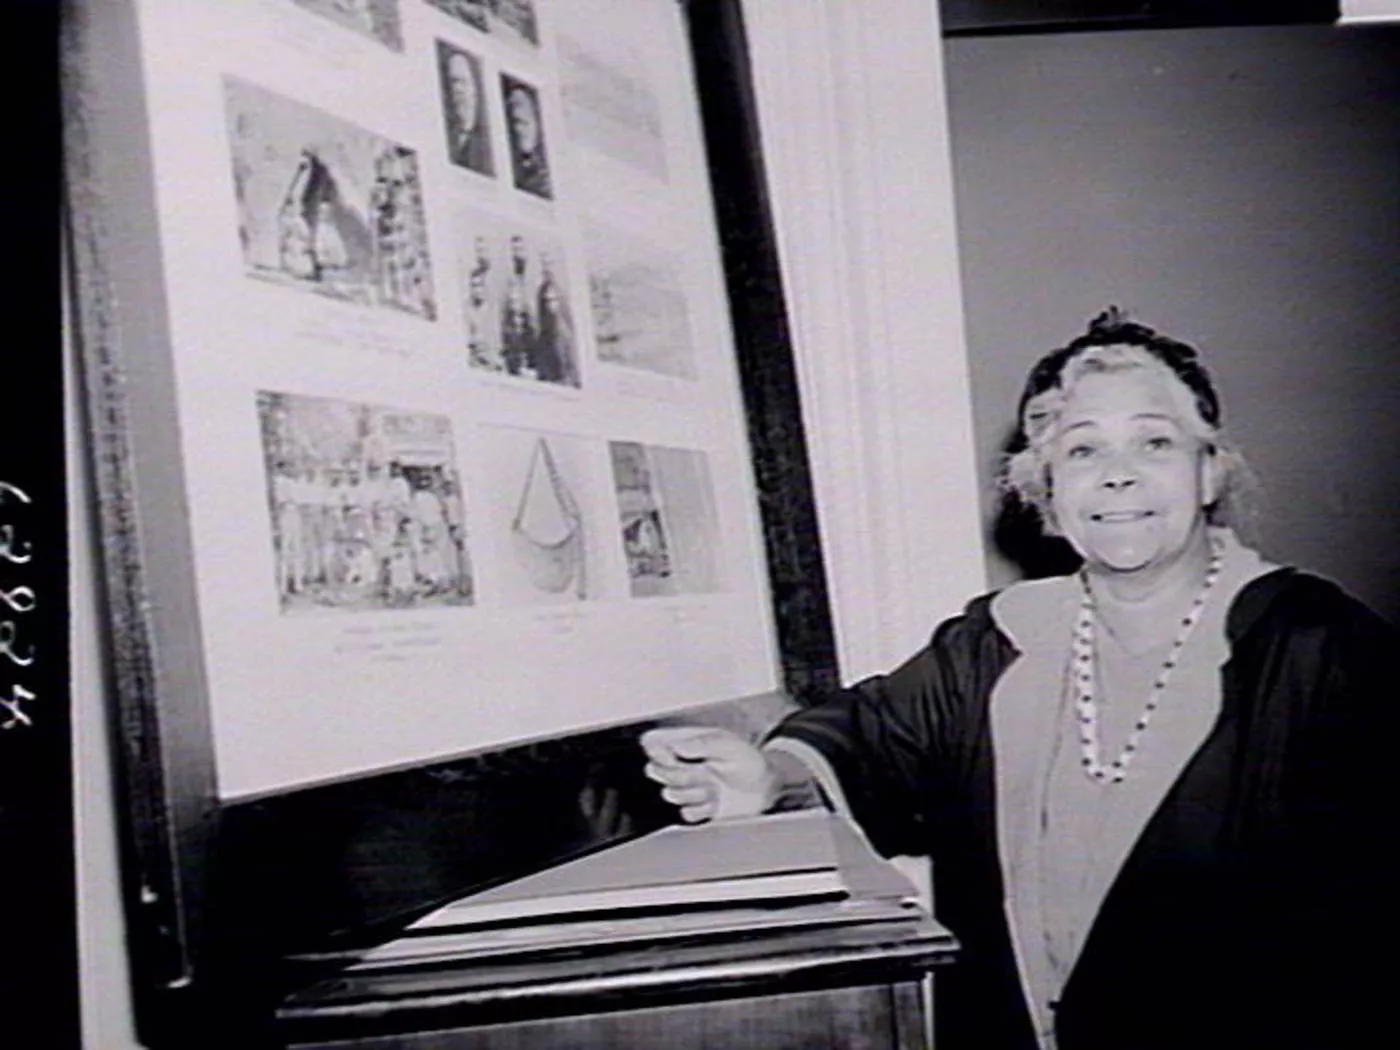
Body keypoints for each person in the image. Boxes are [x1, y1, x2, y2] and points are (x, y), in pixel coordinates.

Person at [641, 309, 1397, 1050]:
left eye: (1154, 441)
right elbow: (868, 738)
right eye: (1082, 451)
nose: (1118, 475)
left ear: (1208, 472)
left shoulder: (1321, 648)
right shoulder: (997, 640)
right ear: (1045, 492)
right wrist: (767, 777)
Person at [441, 46, 493, 176]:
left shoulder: (488, 147)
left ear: (475, 89)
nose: (457, 89)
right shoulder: (448, 138)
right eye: (453, 82)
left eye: (463, 82)